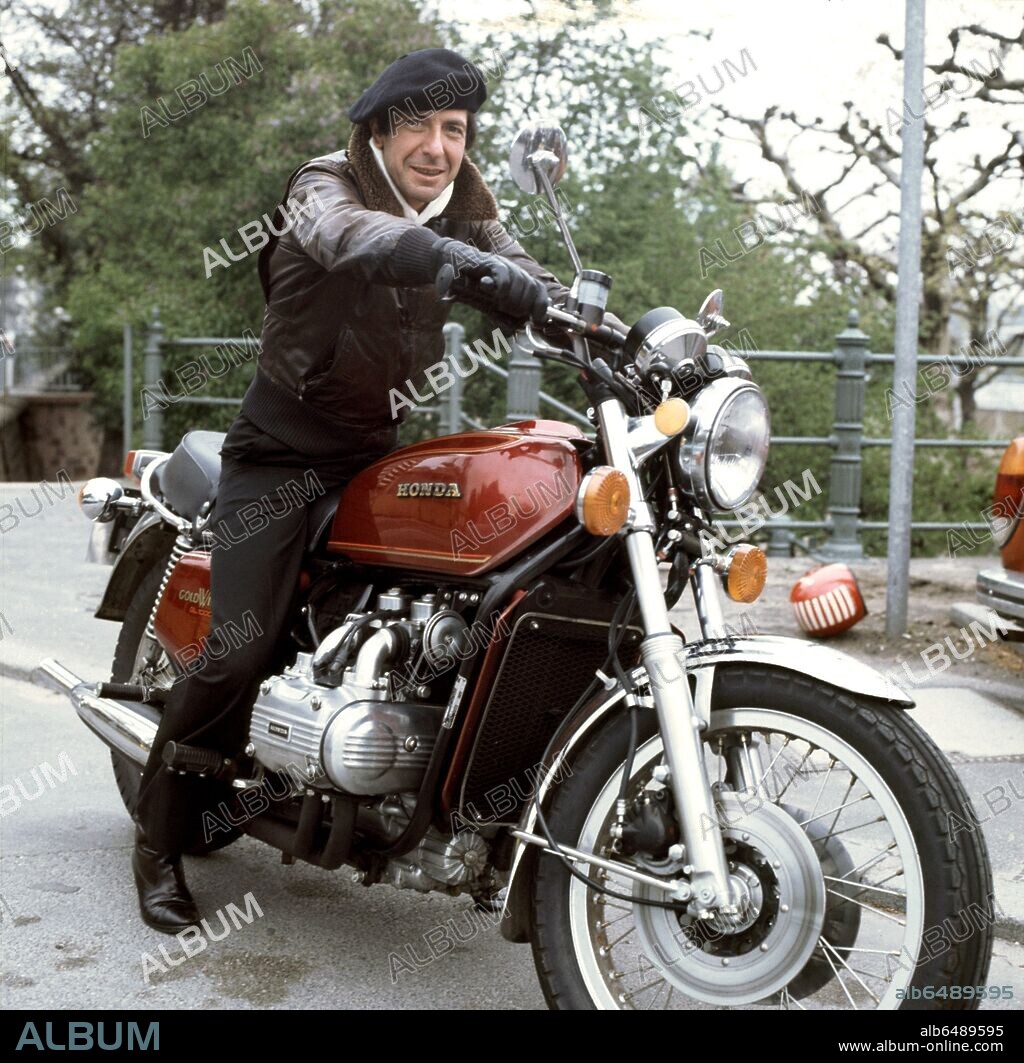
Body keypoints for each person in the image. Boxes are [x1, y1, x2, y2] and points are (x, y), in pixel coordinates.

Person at [131, 47, 614, 933]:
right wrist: (458, 266)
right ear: (381, 132)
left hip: (373, 451)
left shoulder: (469, 204)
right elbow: (348, 239)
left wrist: (612, 328)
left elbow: (523, 271)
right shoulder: (325, 183)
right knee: (240, 645)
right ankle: (159, 840)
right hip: (278, 456)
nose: (439, 146)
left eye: (456, 130)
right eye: (421, 127)